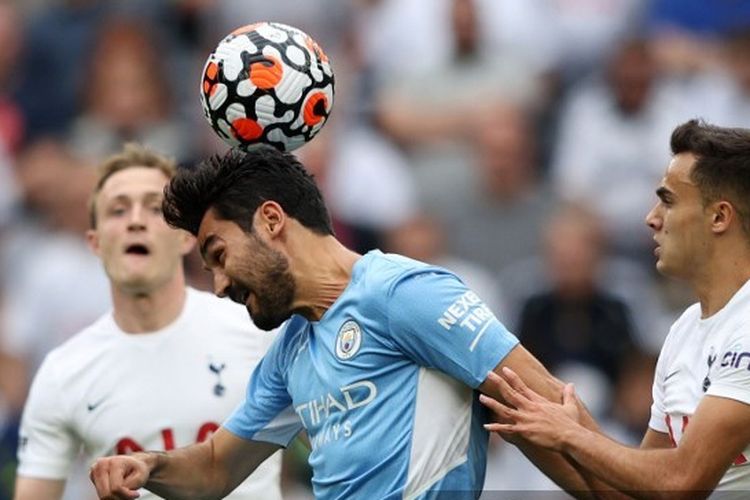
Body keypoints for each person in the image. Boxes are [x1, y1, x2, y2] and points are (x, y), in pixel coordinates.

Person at [88, 144, 608, 499]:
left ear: (271, 221)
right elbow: (216, 468)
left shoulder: (405, 295)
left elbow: (552, 414)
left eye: (219, 254)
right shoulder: (290, 350)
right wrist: (150, 467)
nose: (220, 285)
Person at [481, 119, 750, 495]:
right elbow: (634, 492)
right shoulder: (685, 330)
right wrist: (529, 429)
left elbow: (681, 482)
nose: (652, 218)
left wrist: (573, 436)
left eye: (668, 200)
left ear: (719, 217)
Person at [13, 144, 282, 500]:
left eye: (155, 208)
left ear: (187, 237)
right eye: (118, 210)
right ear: (95, 242)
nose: (136, 220)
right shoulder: (63, 371)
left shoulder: (258, 334)